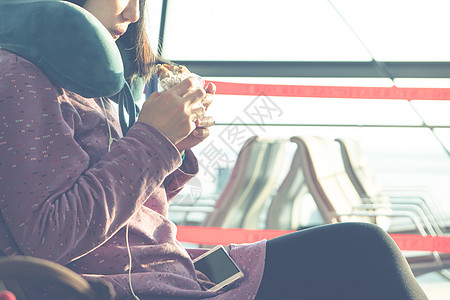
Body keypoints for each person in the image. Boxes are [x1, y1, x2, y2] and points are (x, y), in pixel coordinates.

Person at [0, 0, 429, 299]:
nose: (132, 14)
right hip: (130, 289)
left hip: (170, 273)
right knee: (362, 254)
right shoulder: (19, 76)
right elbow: (48, 236)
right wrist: (154, 140)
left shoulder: (82, 80)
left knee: (362, 250)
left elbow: (119, 218)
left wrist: (173, 148)